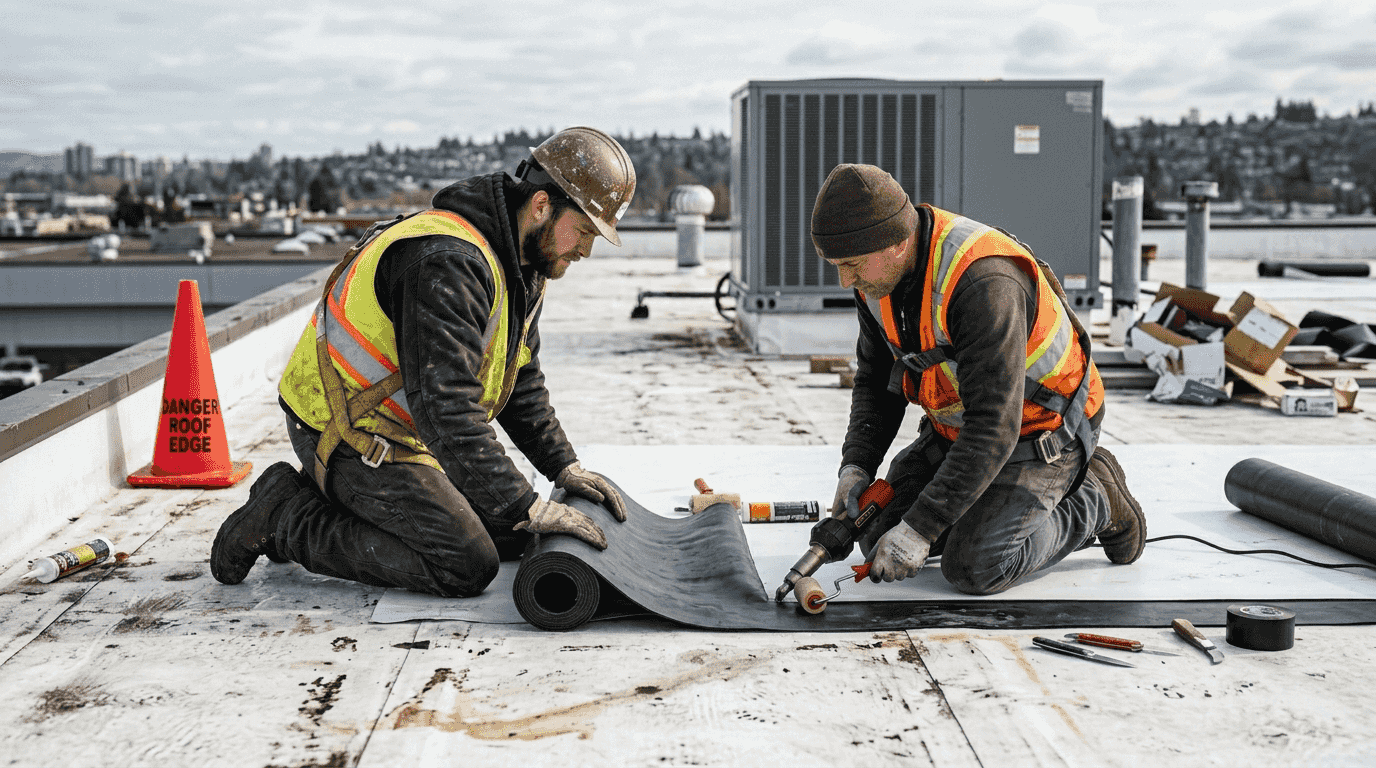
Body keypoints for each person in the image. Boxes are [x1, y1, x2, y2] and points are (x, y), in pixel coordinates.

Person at [210, 127, 637, 596]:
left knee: (510, 531)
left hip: (405, 432)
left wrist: (564, 467)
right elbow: (445, 410)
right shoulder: (447, 262)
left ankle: (336, 501)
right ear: (540, 206)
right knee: (467, 562)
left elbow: (519, 380)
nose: (586, 250)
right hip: (344, 430)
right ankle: (286, 516)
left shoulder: (521, 266)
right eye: (583, 230)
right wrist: (526, 505)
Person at [812, 164, 1145, 594]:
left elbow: (995, 427)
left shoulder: (982, 282)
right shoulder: (876, 280)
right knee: (876, 537)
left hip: (1041, 433)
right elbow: (878, 380)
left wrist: (921, 528)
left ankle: (1096, 497)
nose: (845, 280)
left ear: (897, 242)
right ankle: (985, 511)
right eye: (836, 265)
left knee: (976, 565)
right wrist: (856, 465)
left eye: (852, 265)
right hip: (962, 432)